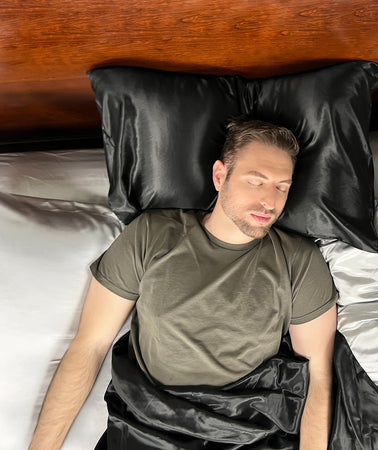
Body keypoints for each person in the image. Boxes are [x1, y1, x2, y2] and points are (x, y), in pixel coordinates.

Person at [29, 118, 338, 449]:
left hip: (242, 432)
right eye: (256, 182)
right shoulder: (152, 235)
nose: (270, 202)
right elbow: (90, 346)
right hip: (149, 428)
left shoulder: (300, 261)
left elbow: (317, 379)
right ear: (220, 176)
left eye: (282, 186)